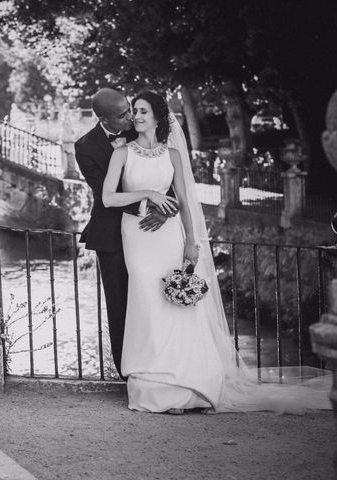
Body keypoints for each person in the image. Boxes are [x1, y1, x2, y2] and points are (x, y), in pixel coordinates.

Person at [103, 90, 330, 414]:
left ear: (157, 117)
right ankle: (155, 386)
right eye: (135, 111)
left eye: (142, 111)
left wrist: (191, 241)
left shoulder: (173, 155)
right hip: (137, 234)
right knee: (147, 302)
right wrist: (149, 194)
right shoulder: (122, 154)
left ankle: (186, 386)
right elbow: (109, 198)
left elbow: (184, 202)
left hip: (168, 234)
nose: (136, 116)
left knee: (176, 306)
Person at [74, 88, 178, 379]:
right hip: (111, 233)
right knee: (119, 304)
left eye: (130, 109)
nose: (131, 116)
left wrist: (165, 210)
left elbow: (164, 172)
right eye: (122, 114)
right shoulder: (85, 146)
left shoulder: (140, 129)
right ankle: (128, 374)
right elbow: (105, 192)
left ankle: (165, 364)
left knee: (155, 298)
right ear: (103, 118)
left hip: (153, 232)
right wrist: (148, 204)